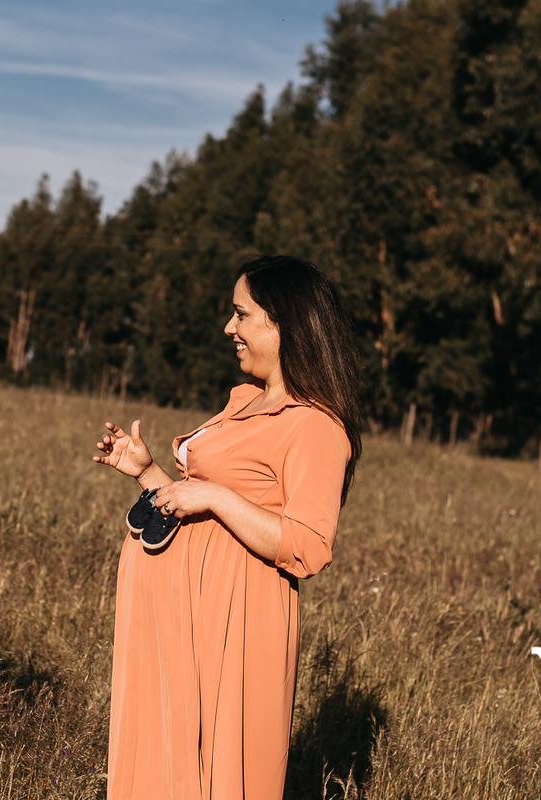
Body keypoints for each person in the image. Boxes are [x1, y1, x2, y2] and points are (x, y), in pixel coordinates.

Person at [93, 255, 363, 799]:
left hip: (233, 612)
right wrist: (147, 473)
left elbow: (309, 546)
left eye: (241, 315)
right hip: (177, 610)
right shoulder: (245, 402)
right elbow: (202, 509)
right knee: (168, 756)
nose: (229, 328)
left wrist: (213, 495)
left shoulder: (315, 426)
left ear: (283, 323)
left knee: (218, 762)